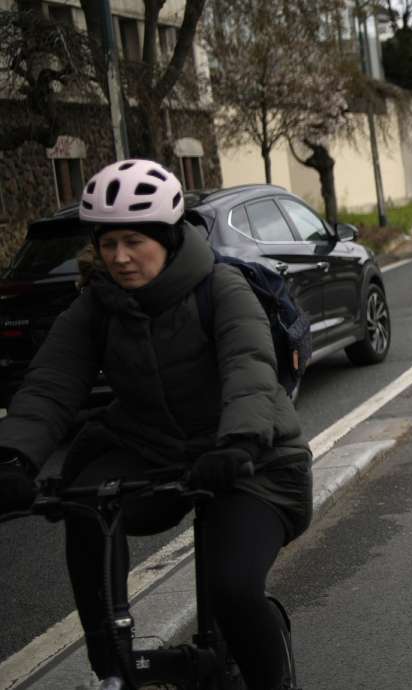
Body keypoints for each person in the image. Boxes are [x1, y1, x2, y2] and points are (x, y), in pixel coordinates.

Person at [0, 160, 313, 688]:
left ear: (168, 237)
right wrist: (14, 458)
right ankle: (112, 669)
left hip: (253, 458)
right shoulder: (97, 305)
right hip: (153, 452)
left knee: (234, 591)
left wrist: (235, 442)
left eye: (133, 241)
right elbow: (51, 383)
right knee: (85, 504)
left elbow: (249, 366)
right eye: (107, 243)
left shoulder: (222, 287)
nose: (119, 258)